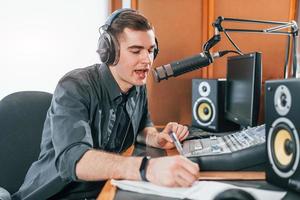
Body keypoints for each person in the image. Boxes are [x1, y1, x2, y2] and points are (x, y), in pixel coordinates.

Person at [12, 8, 199, 200]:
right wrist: (146, 168)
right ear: (110, 52)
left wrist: (157, 138)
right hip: (55, 195)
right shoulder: (74, 86)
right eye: (136, 51)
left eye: (151, 51)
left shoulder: (137, 85)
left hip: (102, 190)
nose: (147, 60)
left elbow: (142, 126)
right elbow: (74, 160)